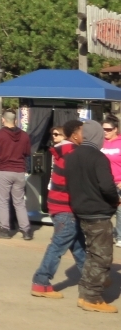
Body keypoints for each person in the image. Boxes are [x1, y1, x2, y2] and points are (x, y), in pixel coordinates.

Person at [65, 120, 120, 313]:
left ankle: (86, 294)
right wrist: (115, 200)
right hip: (98, 212)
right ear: (96, 136)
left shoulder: (71, 157)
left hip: (81, 211)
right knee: (102, 257)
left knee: (92, 254)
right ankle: (92, 298)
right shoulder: (98, 157)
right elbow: (107, 186)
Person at [31, 119, 86, 299]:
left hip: (60, 204)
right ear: (75, 134)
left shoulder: (64, 151)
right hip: (65, 206)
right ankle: (41, 281)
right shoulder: (73, 153)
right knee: (58, 246)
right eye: (83, 131)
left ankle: (90, 276)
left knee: (78, 244)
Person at [0, 109, 33, 240]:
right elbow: (27, 152)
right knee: (19, 202)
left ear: (3, 120)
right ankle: (26, 230)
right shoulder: (24, 136)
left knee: (2, 201)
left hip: (4, 170)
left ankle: (5, 229)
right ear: (15, 120)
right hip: (19, 172)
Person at [98, 114, 121, 246]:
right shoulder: (100, 142)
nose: (106, 132)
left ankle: (119, 236)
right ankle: (102, 235)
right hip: (102, 182)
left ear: (116, 129)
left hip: (118, 183)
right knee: (102, 210)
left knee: (119, 211)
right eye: (104, 129)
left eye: (109, 129)